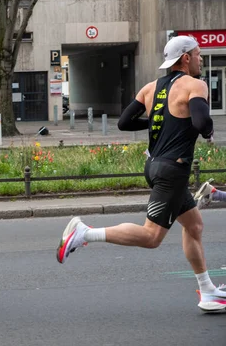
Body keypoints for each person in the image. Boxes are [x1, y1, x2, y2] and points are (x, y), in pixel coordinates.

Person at [56, 35, 226, 312]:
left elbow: (124, 122)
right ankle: (84, 233)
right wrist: (206, 131)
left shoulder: (150, 88)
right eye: (197, 54)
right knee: (151, 237)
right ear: (185, 58)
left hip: (156, 166)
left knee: (194, 226)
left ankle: (207, 290)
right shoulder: (196, 85)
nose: (199, 59)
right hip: (173, 169)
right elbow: (201, 120)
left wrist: (163, 124)